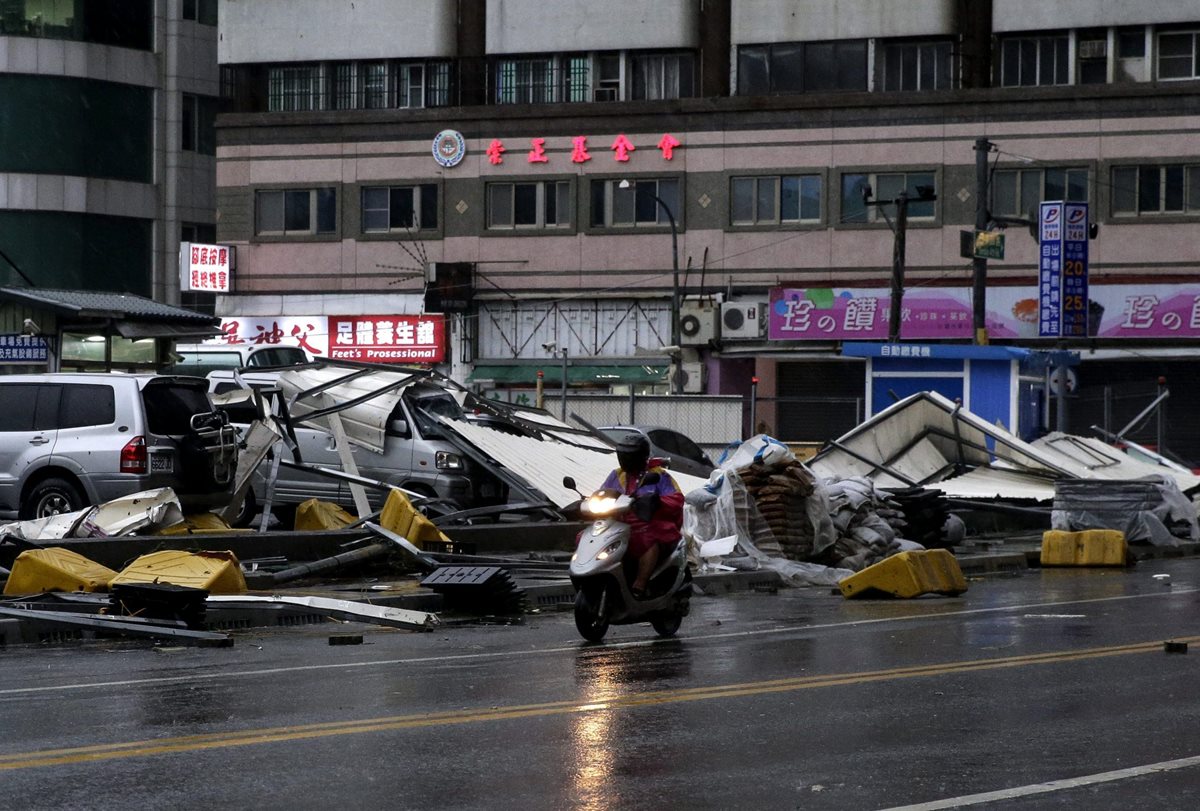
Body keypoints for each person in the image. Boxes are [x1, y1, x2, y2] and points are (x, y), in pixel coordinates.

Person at [600, 433, 684, 598]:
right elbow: (603, 492)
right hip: (619, 524)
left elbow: (677, 499)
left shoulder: (659, 475)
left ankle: (640, 582)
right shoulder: (616, 475)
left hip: (648, 523)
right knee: (586, 537)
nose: (626, 460)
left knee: (648, 539)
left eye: (630, 456)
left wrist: (656, 502)